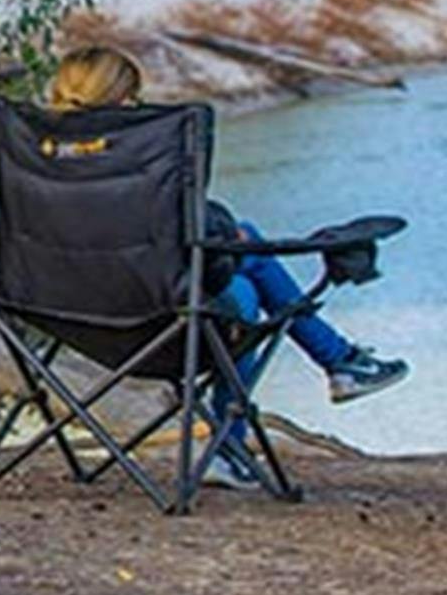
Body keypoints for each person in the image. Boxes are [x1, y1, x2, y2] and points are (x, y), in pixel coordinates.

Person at [47, 46, 409, 484]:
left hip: (58, 317)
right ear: (122, 100)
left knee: (242, 269)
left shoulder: (31, 154)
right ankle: (307, 386)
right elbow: (186, 224)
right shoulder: (134, 154)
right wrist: (227, 232)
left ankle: (334, 367)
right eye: (133, 97)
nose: (137, 107)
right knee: (245, 283)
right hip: (148, 321)